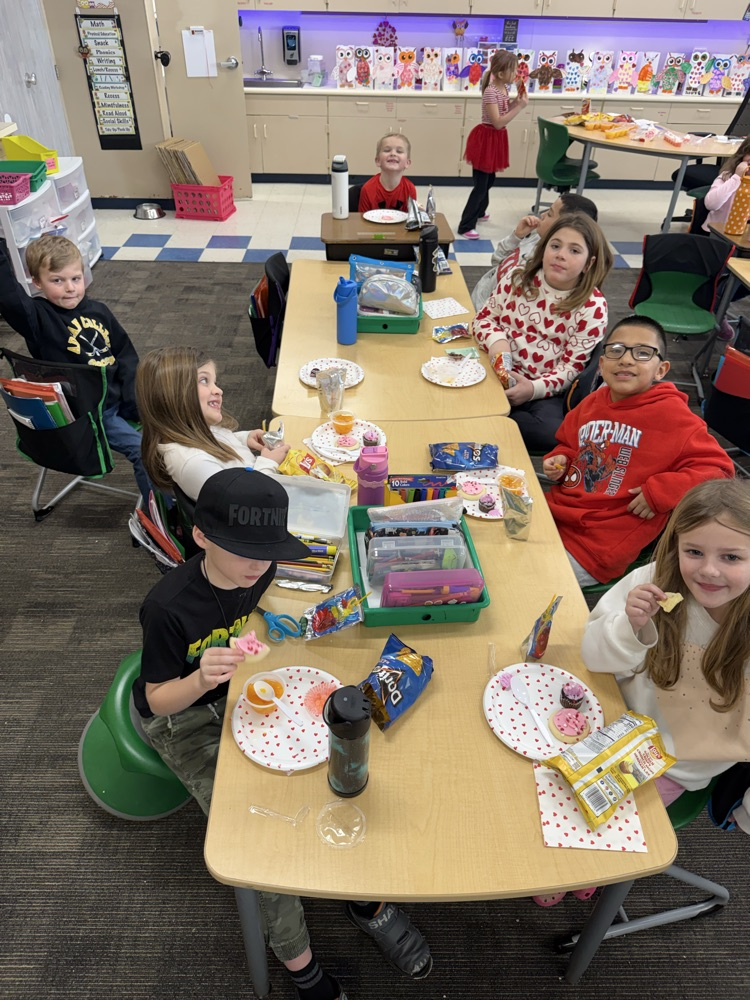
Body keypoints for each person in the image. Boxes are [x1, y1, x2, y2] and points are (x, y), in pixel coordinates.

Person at [134, 469, 432, 997]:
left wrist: (265, 624)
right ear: (201, 537)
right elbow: (156, 697)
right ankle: (301, 966)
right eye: (244, 551)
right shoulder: (167, 606)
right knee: (257, 835)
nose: (259, 564)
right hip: (181, 715)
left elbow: (246, 605)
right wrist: (200, 676)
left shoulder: (261, 572)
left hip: (232, 687)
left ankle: (364, 896)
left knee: (342, 774)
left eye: (268, 550)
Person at [581, 478, 750, 834]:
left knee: (599, 828)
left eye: (731, 557)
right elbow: (593, 657)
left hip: (673, 763)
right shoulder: (655, 582)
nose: (708, 570)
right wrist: (632, 627)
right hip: (612, 717)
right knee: (546, 789)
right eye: (694, 552)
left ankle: (590, 876)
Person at [542, 316, 735, 587]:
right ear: (601, 363)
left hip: (599, 544)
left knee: (533, 583)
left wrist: (661, 491)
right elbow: (568, 445)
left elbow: (720, 470)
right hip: (557, 513)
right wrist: (560, 461)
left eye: (643, 353)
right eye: (616, 350)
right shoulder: (591, 404)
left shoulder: (672, 415)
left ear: (661, 370)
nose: (626, 360)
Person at [0, 234, 151, 503]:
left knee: (182, 407)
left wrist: (134, 399)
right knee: (144, 451)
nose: (70, 288)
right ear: (37, 282)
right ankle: (164, 517)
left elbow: (126, 356)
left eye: (75, 278)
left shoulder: (99, 311)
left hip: (122, 396)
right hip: (91, 413)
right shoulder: (39, 318)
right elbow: (11, 300)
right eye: (57, 280)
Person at [472, 213, 613, 452]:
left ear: (589, 264)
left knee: (550, 434)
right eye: (555, 245)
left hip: (542, 390)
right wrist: (498, 342)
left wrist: (532, 390)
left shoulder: (593, 307)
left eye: (574, 251)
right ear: (543, 248)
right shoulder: (518, 278)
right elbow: (483, 319)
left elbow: (571, 369)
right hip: (493, 370)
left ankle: (486, 424)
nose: (560, 254)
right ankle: (487, 422)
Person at [136, 346, 289, 501]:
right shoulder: (193, 463)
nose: (218, 390)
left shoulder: (196, 427)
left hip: (254, 480)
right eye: (204, 380)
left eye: (215, 382)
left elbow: (215, 441)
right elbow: (250, 503)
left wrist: (243, 439)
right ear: (172, 394)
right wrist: (268, 463)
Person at [470, 192, 599, 310]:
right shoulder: (535, 237)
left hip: (487, 313)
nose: (542, 215)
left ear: (564, 224)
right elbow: (496, 262)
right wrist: (516, 237)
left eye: (549, 214)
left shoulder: (550, 266)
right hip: (479, 297)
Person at [457, 50, 529, 239]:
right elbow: (498, 121)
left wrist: (516, 102)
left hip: (495, 139)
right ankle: (465, 225)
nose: (516, 74)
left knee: (489, 180)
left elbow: (504, 111)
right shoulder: (491, 92)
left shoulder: (503, 89)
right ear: (500, 74)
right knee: (481, 185)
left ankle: (480, 211)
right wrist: (519, 108)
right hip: (486, 139)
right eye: (513, 71)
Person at [358, 133, 417, 213]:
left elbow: (410, 222)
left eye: (399, 151)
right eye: (387, 150)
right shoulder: (367, 189)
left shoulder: (410, 189)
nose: (393, 153)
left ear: (407, 163)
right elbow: (362, 222)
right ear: (378, 161)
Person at [702, 136, 750, 232]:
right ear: (742, 155)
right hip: (718, 234)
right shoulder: (727, 176)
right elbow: (711, 204)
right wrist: (736, 178)